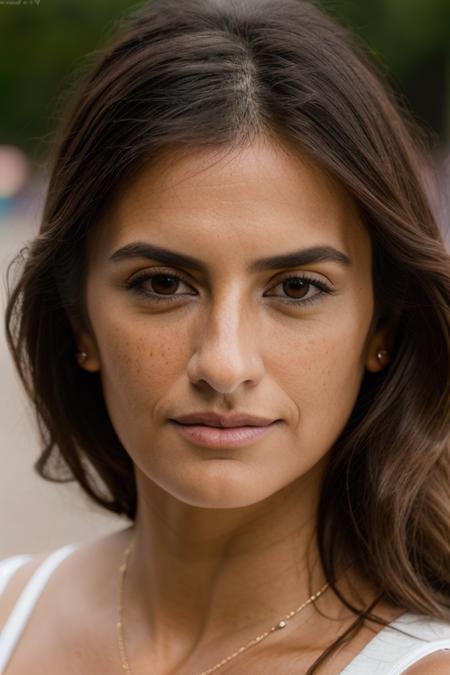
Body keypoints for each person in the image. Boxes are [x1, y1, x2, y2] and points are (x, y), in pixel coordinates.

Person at [1, 0, 449, 673]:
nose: (223, 361)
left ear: (381, 326)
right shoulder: (11, 612)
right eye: (161, 284)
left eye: (296, 287)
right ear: (78, 319)